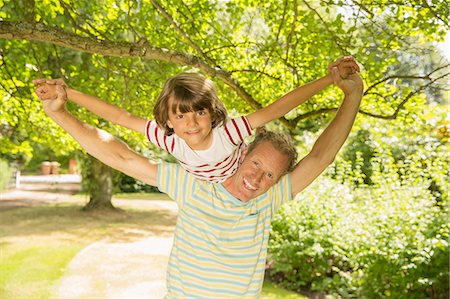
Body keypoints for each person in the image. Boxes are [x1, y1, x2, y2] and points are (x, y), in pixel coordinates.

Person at [34, 64, 363, 298]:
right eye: (257, 164)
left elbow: (321, 155)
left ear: (277, 182)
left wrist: (351, 95)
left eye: (270, 175)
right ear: (243, 151)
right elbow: (118, 154)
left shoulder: (269, 198)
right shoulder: (191, 183)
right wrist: (61, 112)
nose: (256, 178)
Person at [33, 56, 359, 182]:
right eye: (181, 115)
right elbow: (119, 116)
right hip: (203, 187)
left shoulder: (228, 133)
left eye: (200, 113)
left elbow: (276, 109)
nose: (192, 123)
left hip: (235, 177)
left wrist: (329, 80)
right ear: (168, 120)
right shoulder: (166, 136)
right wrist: (67, 92)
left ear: (212, 114)